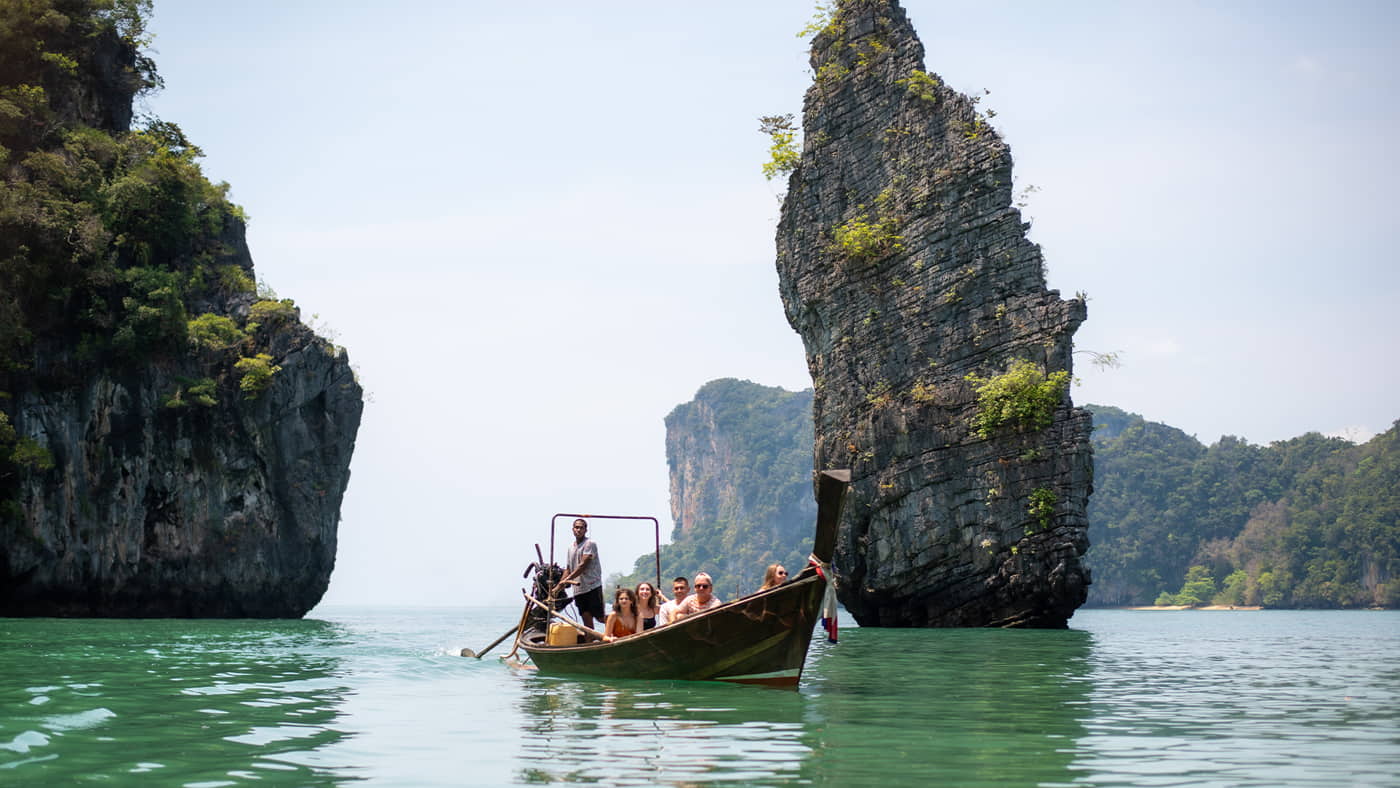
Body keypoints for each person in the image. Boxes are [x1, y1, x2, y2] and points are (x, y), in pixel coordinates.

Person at [556, 518, 604, 630]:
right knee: (586, 619)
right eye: (576, 527)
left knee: (600, 618)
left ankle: (624, 629)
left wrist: (566, 580)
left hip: (592, 586)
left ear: (585, 530)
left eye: (581, 528)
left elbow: (582, 565)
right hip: (579, 589)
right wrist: (558, 587)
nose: (579, 530)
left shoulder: (589, 544)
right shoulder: (570, 547)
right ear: (572, 529)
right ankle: (591, 643)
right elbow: (568, 569)